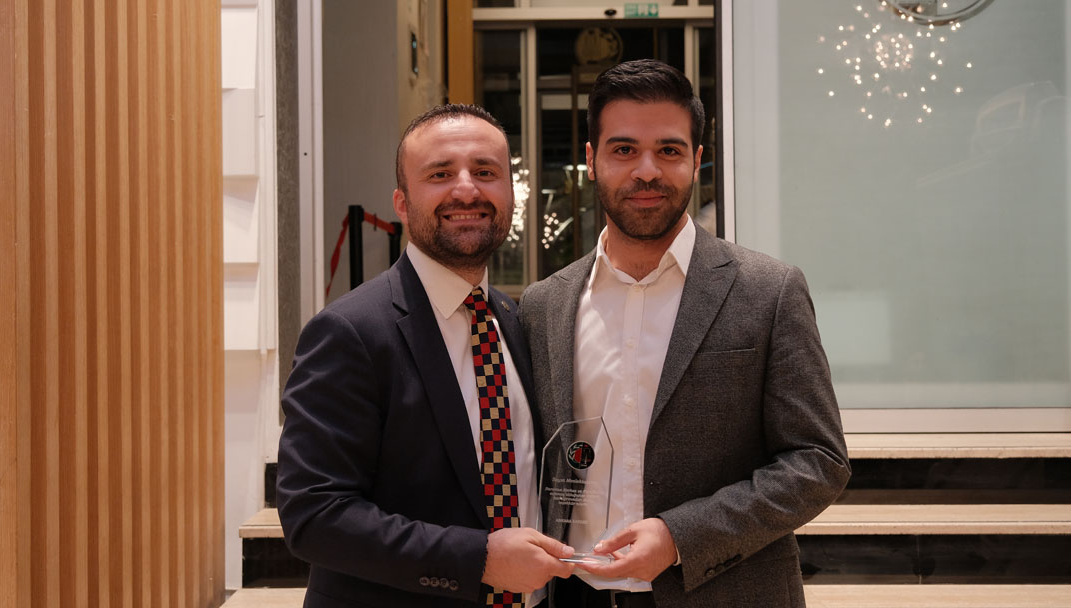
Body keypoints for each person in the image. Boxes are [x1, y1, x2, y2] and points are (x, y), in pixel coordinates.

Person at [518, 59, 851, 607]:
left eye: (669, 150)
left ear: (696, 160)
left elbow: (818, 461)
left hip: (723, 594)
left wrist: (680, 537)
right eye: (624, 149)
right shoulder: (544, 304)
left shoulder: (768, 291)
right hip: (576, 594)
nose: (646, 170)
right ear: (592, 160)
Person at [278, 104, 575, 608]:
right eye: (440, 174)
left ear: (510, 194)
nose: (467, 190)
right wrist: (478, 559)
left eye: (486, 172)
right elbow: (314, 515)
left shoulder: (514, 318)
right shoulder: (349, 332)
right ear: (401, 201)